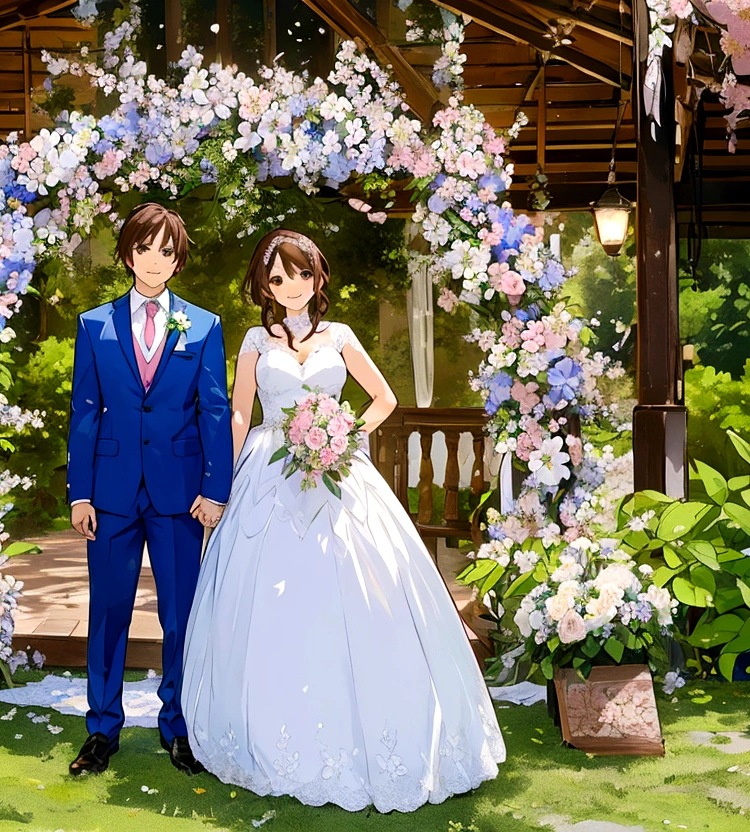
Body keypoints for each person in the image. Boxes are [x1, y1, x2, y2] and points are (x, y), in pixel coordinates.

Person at [181, 229, 506, 812]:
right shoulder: (255, 339)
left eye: (301, 274)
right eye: (277, 278)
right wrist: (222, 488)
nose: (291, 287)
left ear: (317, 278)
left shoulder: (342, 336)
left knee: (365, 590)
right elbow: (239, 413)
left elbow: (382, 399)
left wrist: (341, 436)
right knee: (268, 603)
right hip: (269, 474)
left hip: (339, 472)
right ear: (264, 286)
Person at [66, 202, 233, 777]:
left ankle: (179, 727)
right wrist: (79, 493)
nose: (155, 260)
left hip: (181, 495)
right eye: (145, 248)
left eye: (167, 250)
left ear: (179, 258)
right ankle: (101, 730)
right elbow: (85, 411)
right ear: (127, 253)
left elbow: (215, 411)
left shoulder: (204, 325)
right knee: (108, 612)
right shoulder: (94, 325)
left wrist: (216, 489)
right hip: (109, 494)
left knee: (180, 616)